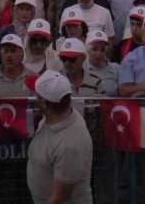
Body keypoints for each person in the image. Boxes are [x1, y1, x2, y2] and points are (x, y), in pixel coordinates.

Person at [26, 70, 93, 204]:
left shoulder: (70, 146)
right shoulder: (55, 116)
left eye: (36, 95)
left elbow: (59, 198)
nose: (34, 97)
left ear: (43, 102)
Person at [0, 34, 32, 98]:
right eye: (5, 51)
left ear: (21, 54)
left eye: (13, 51)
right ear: (0, 53)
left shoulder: (32, 77)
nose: (9, 55)